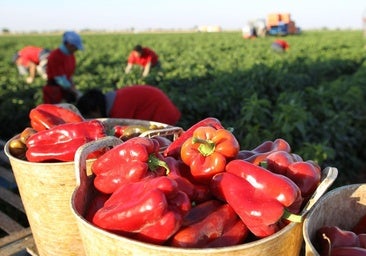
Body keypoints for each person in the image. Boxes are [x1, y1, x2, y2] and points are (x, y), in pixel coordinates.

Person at [76, 85, 181, 126]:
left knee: (164, 145)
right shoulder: (114, 99)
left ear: (96, 109)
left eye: (91, 115)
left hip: (163, 114)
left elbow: (125, 132)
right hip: (160, 106)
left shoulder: (118, 108)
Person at [42, 31, 84, 104]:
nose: (76, 50)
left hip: (65, 90)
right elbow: (60, 79)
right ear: (68, 44)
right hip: (54, 91)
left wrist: (73, 88)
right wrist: (75, 92)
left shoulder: (71, 56)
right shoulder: (55, 55)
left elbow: (70, 76)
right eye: (75, 47)